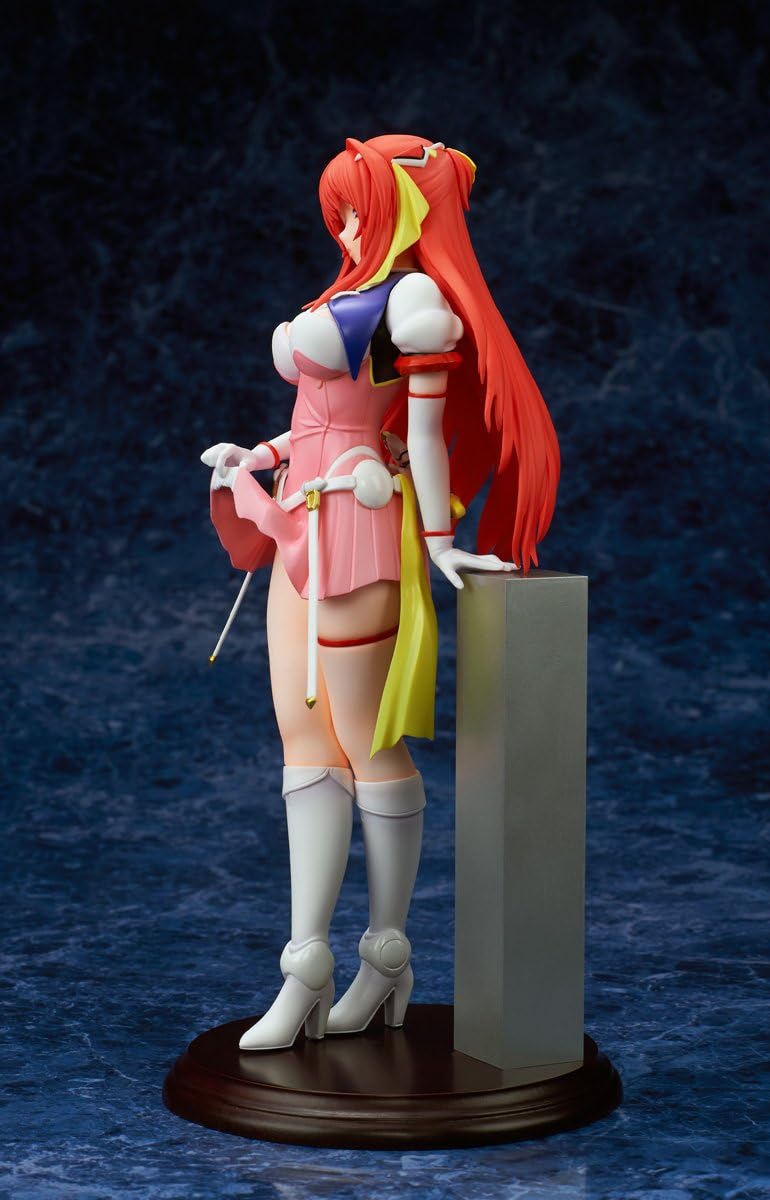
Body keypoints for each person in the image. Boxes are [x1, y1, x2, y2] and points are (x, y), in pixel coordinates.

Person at [200, 135, 560, 1051]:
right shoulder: (349, 291)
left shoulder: (414, 300)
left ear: (406, 203)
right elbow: (317, 419)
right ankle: (306, 965)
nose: (348, 225)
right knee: (304, 745)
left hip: (358, 530)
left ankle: (387, 953)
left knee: (366, 746)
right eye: (340, 211)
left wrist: (439, 542)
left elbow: (422, 436)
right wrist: (259, 456)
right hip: (299, 519)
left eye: (359, 206)